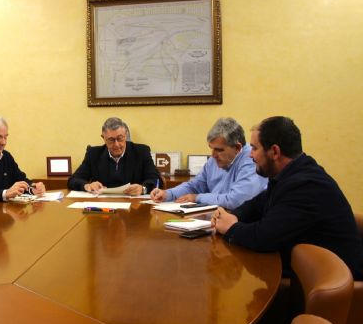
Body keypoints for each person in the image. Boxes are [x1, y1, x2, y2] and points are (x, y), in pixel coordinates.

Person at [212, 116, 362, 279]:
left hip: (332, 284)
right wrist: (234, 215)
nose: (250, 155)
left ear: (274, 151)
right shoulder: (290, 174)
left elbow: (263, 238)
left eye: (254, 148)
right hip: (304, 274)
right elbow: (257, 204)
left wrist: (230, 227)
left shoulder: (306, 186)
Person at [150, 117, 267, 209]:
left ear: (237, 147)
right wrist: (168, 194)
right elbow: (194, 186)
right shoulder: (214, 160)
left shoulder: (251, 160)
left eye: (219, 150)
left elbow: (237, 200)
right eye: (212, 148)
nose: (213, 155)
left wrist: (197, 198)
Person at [67, 117, 161, 196]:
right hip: (103, 209)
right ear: (103, 138)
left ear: (126, 135)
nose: (116, 144)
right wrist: (87, 186)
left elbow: (156, 179)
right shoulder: (93, 154)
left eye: (120, 138)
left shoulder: (141, 151)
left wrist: (143, 189)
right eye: (111, 140)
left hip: (134, 206)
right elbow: (73, 180)